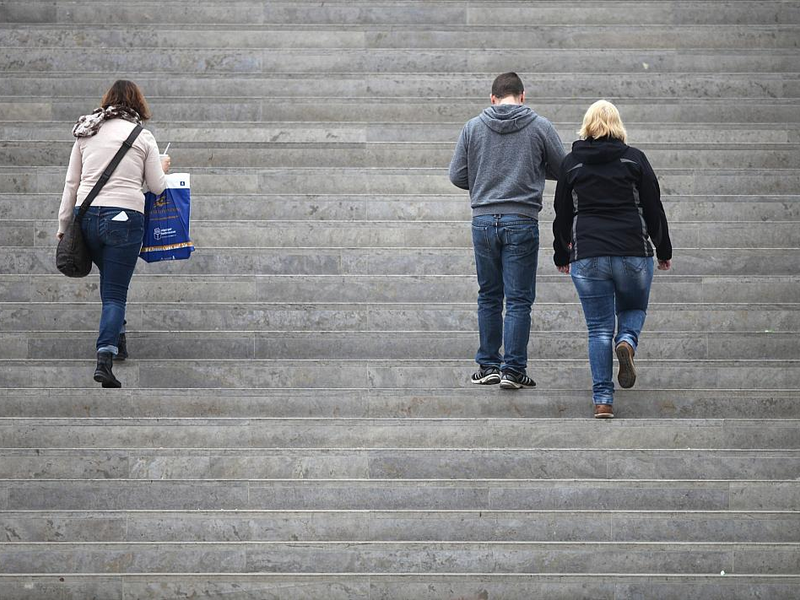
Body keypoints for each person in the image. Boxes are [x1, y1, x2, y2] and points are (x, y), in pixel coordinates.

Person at [553, 100, 672, 418]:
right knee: (633, 308)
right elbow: (653, 207)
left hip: (588, 254)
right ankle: (628, 340)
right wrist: (664, 250)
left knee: (598, 330)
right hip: (632, 251)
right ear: (617, 124)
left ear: (587, 125)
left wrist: (562, 252)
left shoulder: (572, 163)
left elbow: (562, 212)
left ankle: (603, 400)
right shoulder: (634, 159)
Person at [449, 72, 565, 389]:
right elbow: (563, 168)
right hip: (522, 219)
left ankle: (488, 365)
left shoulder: (473, 127)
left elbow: (457, 175)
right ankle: (513, 369)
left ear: (493, 98)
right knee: (518, 299)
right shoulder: (540, 126)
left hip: (484, 220)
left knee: (489, 295)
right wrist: (532, 169)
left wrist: (484, 181)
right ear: (522, 96)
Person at [57, 80, 171, 388]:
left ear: (108, 100)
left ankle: (118, 339)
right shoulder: (142, 136)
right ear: (138, 104)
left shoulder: (86, 131)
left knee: (110, 282)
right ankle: (105, 358)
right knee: (115, 293)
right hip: (124, 219)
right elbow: (157, 186)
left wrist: (64, 225)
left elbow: (71, 183)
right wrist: (162, 166)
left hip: (86, 218)